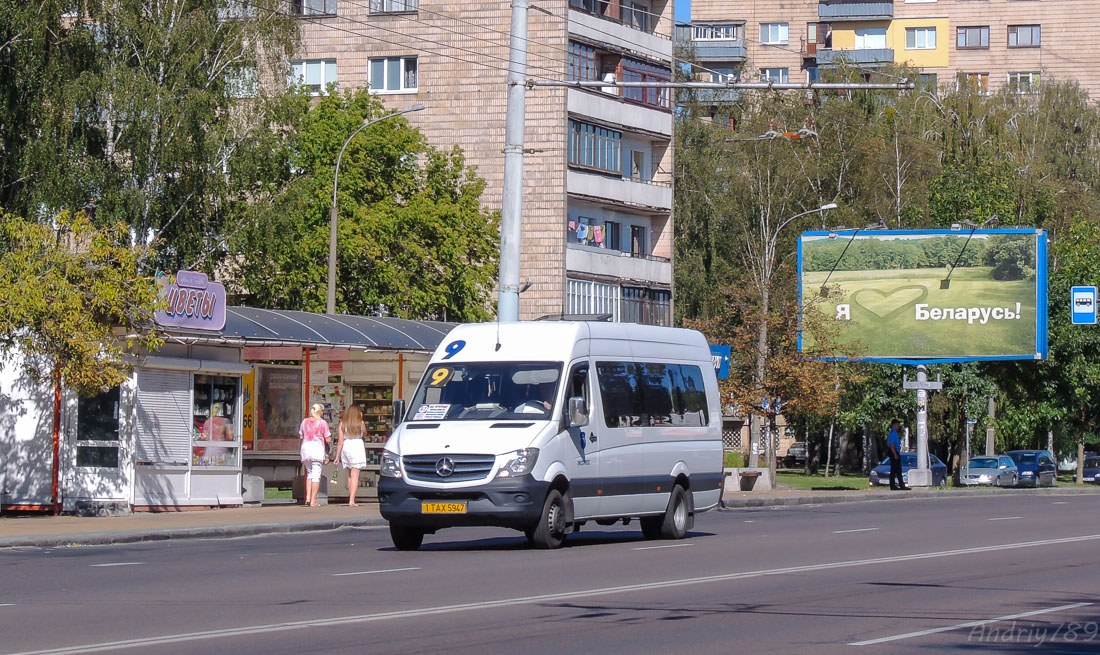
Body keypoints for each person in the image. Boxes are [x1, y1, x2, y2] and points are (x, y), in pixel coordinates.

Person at [334, 404, 367, 507]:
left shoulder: (342, 424)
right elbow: (365, 433)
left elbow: (340, 441)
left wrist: (337, 456)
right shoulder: (360, 423)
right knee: (355, 475)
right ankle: (352, 500)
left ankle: (350, 497)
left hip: (346, 447)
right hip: (357, 446)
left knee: (350, 474)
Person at [299, 403, 331, 506]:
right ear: (319, 411)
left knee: (309, 474)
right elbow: (328, 439)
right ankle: (313, 501)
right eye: (322, 411)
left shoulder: (304, 421)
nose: (322, 413)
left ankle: (308, 497)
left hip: (305, 449)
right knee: (316, 475)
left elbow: (301, 436)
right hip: (317, 449)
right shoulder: (322, 423)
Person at [887, 419, 909, 491]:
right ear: (893, 425)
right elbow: (892, 444)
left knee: (897, 469)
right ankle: (894, 485)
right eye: (897, 425)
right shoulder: (892, 433)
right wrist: (895, 454)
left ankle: (900, 484)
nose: (898, 426)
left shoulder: (894, 433)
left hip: (895, 451)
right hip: (894, 451)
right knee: (895, 469)